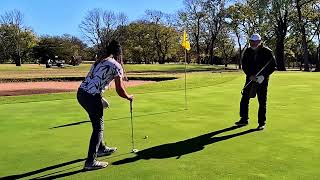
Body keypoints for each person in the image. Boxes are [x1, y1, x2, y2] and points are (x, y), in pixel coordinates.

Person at [77, 40, 134, 170]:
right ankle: (90, 162)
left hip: (81, 93)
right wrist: (128, 97)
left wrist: (100, 98)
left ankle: (101, 148)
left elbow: (95, 81)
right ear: (119, 53)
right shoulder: (116, 65)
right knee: (98, 128)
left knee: (97, 123)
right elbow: (120, 90)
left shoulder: (100, 60)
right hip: (91, 97)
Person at [235, 33, 276, 130]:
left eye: (254, 41)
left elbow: (273, 66)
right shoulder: (248, 51)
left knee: (262, 101)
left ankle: (262, 123)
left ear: (259, 42)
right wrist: (250, 75)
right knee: (245, 98)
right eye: (251, 41)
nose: (252, 43)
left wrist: (263, 76)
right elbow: (244, 65)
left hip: (262, 80)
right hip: (250, 79)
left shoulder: (267, 52)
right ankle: (244, 119)